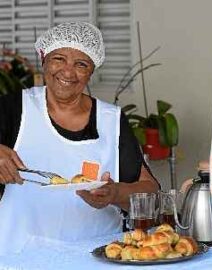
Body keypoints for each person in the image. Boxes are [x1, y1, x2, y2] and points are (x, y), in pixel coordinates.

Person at [0, 22, 159, 254]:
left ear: (91, 72)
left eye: (81, 64)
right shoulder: (12, 108)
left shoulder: (110, 119)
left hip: (96, 257)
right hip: (20, 256)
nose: (67, 72)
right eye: (59, 59)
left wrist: (114, 194)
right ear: (43, 60)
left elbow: (150, 192)